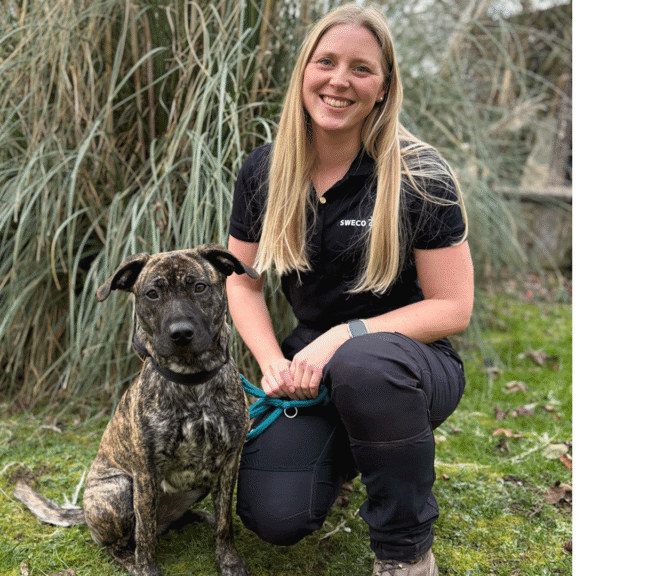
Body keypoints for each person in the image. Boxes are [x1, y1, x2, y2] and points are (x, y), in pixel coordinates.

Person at [225, 4, 474, 575]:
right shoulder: (264, 169)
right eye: (327, 62)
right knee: (275, 517)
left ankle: (405, 552)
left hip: (407, 363)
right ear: (304, 72)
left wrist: (345, 335)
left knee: (365, 364)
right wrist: (271, 363)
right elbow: (242, 281)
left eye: (361, 69)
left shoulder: (420, 176)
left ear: (383, 88)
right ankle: (357, 451)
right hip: (309, 368)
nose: (339, 81)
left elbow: (453, 308)